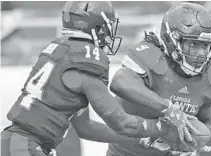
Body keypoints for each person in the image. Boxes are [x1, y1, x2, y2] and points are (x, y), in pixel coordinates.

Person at [1, 2, 195, 156]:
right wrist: (162, 128)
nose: (110, 34)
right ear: (97, 27)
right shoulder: (87, 59)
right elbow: (120, 121)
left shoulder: (62, 51)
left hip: (17, 142)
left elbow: (86, 128)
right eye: (108, 27)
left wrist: (140, 139)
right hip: (26, 145)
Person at [105, 2, 211, 156]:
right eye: (194, 44)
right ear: (172, 40)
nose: (202, 53)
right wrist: (169, 109)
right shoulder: (151, 56)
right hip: (126, 153)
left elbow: (206, 123)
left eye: (206, 46)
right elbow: (119, 83)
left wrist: (190, 143)